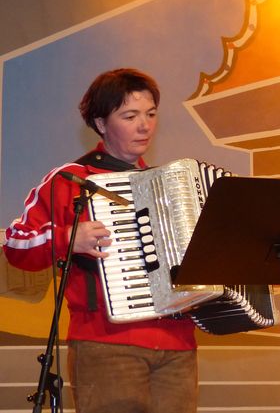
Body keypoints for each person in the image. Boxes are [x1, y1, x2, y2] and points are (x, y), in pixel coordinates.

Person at [3, 69, 198, 413]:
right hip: (106, 343)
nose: (145, 126)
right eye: (130, 116)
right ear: (101, 123)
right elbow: (15, 246)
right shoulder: (70, 180)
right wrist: (67, 237)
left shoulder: (169, 188)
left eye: (151, 114)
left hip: (178, 344)